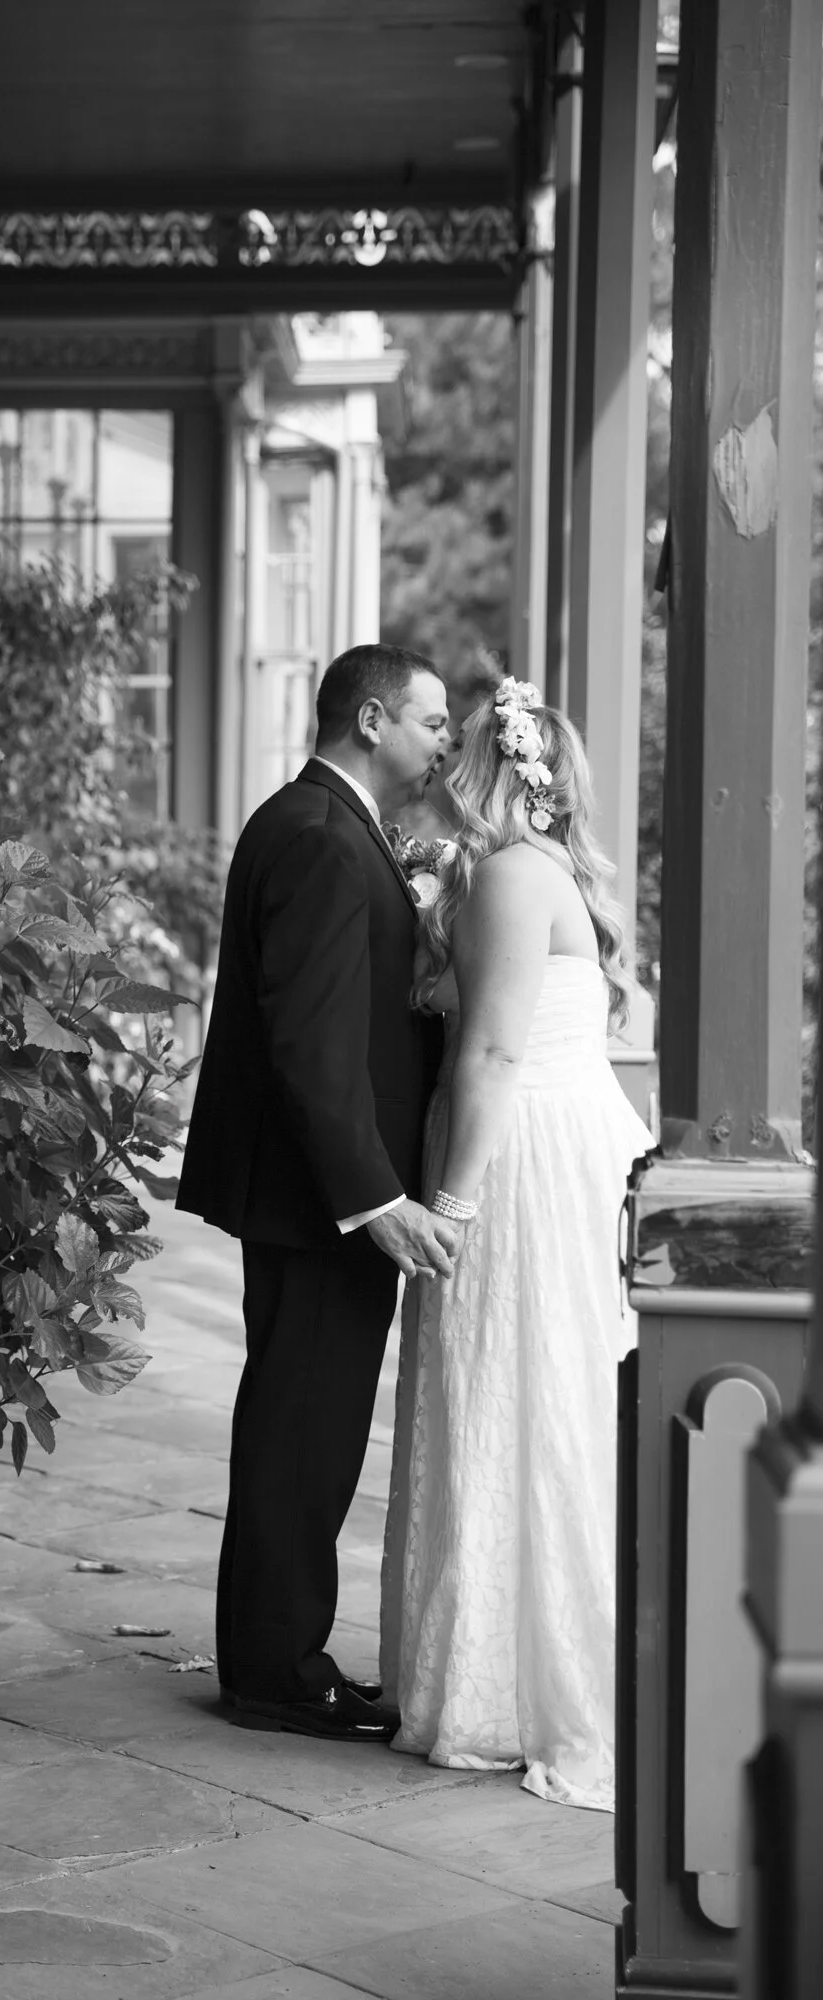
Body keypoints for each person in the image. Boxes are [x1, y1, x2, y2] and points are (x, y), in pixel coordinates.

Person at [177, 643, 457, 1740]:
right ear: (372, 720)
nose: (445, 741)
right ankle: (275, 1674)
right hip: (316, 1200)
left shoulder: (327, 823)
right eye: (431, 721)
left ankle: (272, 1656)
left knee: (304, 1423)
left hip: (312, 1194)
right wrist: (374, 1198)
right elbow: (309, 1040)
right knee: (302, 1430)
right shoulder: (319, 835)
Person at [380, 679, 652, 1809]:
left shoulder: (505, 878)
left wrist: (451, 1203)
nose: (441, 761)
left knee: (509, 1393)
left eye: (458, 750)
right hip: (567, 1139)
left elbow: (491, 1056)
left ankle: (509, 1688)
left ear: (489, 770)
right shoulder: (546, 874)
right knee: (551, 1399)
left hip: (518, 1159)